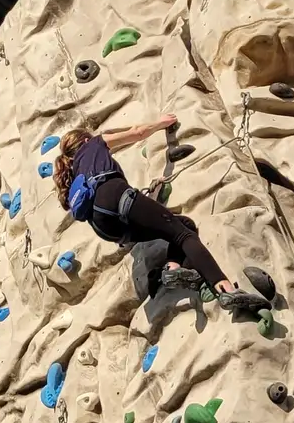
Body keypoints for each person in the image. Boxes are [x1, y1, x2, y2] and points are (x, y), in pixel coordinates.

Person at [54, 116, 268, 316]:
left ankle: (172, 269)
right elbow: (137, 133)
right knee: (184, 235)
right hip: (114, 198)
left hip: (106, 228)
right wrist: (161, 123)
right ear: (84, 139)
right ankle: (226, 289)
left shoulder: (75, 173)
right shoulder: (93, 144)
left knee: (182, 225)